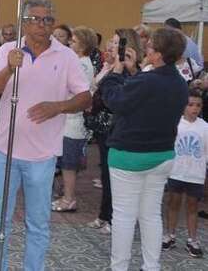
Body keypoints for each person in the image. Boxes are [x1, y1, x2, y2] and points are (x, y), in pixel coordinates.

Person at [0, 0, 91, 271]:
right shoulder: (9, 50)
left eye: (48, 20)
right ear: (24, 22)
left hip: (43, 155)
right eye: (36, 19)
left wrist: (59, 106)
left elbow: (85, 97)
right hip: (5, 151)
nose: (43, 25)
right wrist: (9, 68)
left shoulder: (65, 56)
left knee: (38, 223)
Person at [100, 27, 189, 271]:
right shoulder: (180, 83)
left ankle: (119, 266)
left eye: (150, 46)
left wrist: (116, 72)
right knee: (150, 215)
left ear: (158, 55)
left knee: (124, 216)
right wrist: (132, 71)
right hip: (162, 155)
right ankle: (152, 266)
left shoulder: (147, 80)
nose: (146, 48)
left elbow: (114, 100)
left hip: (129, 155)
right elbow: (143, 96)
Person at [84, 29, 144, 235]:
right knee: (105, 174)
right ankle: (104, 214)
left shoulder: (130, 70)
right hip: (103, 126)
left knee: (115, 177)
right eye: (112, 40)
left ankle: (113, 218)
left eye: (117, 42)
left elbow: (118, 97)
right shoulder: (109, 65)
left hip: (117, 126)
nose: (111, 44)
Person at [52, 25, 97, 213]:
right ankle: (65, 194)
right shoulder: (80, 61)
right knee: (66, 161)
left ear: (83, 45)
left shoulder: (83, 64)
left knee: (69, 164)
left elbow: (77, 91)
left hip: (73, 121)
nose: (70, 43)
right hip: (68, 119)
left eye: (74, 41)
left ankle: (69, 198)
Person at [162, 90, 208, 258]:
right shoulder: (175, 124)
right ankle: (170, 235)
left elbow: (206, 152)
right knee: (173, 203)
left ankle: (192, 239)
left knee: (192, 206)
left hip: (195, 174)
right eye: (190, 105)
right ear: (182, 106)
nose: (194, 108)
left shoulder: (204, 127)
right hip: (176, 172)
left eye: (198, 105)